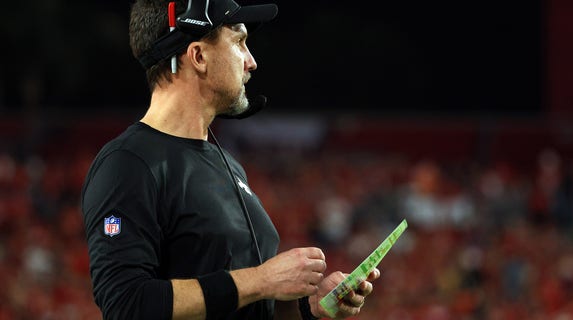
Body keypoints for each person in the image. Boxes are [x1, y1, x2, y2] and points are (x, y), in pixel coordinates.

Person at [80, 0, 380, 319]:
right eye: (239, 42)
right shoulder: (128, 163)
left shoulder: (228, 163)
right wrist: (261, 280)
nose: (251, 62)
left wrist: (308, 307)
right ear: (198, 56)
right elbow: (125, 302)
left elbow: (243, 303)